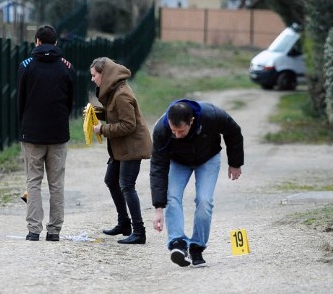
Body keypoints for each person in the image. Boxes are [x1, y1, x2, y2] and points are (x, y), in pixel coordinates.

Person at [150, 99, 243, 267]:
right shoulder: (161, 130)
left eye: (181, 131)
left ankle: (196, 247)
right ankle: (178, 243)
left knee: (204, 200)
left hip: (208, 158)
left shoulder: (212, 115)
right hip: (177, 161)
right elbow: (158, 168)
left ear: (191, 121)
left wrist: (235, 163)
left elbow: (234, 132)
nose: (176, 135)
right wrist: (158, 208)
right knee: (172, 197)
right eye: (173, 131)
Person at [17, 24, 76, 242]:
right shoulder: (66, 66)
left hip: (32, 131)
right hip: (58, 132)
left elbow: (20, 100)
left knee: (33, 181)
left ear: (37, 41)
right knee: (56, 183)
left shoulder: (26, 65)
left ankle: (33, 230)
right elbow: (70, 101)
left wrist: (24, 123)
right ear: (57, 43)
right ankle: (54, 231)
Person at [88, 57, 152, 244]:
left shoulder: (122, 94)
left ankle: (139, 232)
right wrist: (95, 112)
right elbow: (113, 113)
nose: (92, 79)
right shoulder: (114, 91)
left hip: (132, 146)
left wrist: (103, 129)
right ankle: (124, 223)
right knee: (111, 180)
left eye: (94, 75)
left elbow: (128, 125)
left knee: (127, 186)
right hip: (121, 148)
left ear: (104, 75)